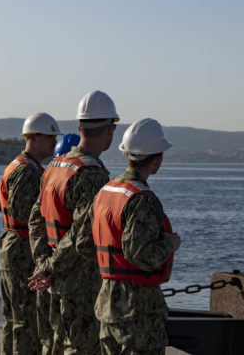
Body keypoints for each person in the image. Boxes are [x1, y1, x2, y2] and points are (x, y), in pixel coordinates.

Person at [28, 90, 119, 354]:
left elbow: (36, 219)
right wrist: (49, 269)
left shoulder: (55, 166)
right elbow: (80, 235)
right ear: (110, 130)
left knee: (54, 346)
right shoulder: (92, 174)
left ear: (79, 127)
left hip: (52, 280)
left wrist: (42, 262)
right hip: (80, 285)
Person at [92, 118, 181, 354]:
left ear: (126, 154)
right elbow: (140, 255)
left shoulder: (106, 191)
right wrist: (170, 244)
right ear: (157, 159)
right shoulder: (142, 199)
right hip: (137, 309)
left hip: (107, 301)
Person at [0, 113, 61, 355]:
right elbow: (23, 211)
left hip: (13, 245)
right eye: (49, 136)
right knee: (27, 322)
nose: (54, 141)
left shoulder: (17, 166)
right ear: (32, 137)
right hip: (22, 249)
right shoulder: (27, 171)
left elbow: (0, 204)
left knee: (14, 320)